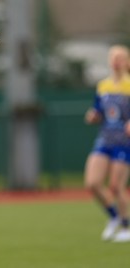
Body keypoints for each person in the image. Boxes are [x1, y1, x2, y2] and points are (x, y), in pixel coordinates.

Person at [84, 44, 130, 243]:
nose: (115, 61)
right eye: (113, 57)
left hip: (124, 142)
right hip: (105, 139)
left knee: (116, 186)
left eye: (120, 57)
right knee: (92, 183)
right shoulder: (103, 85)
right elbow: (99, 111)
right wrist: (93, 116)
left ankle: (126, 227)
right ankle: (114, 217)